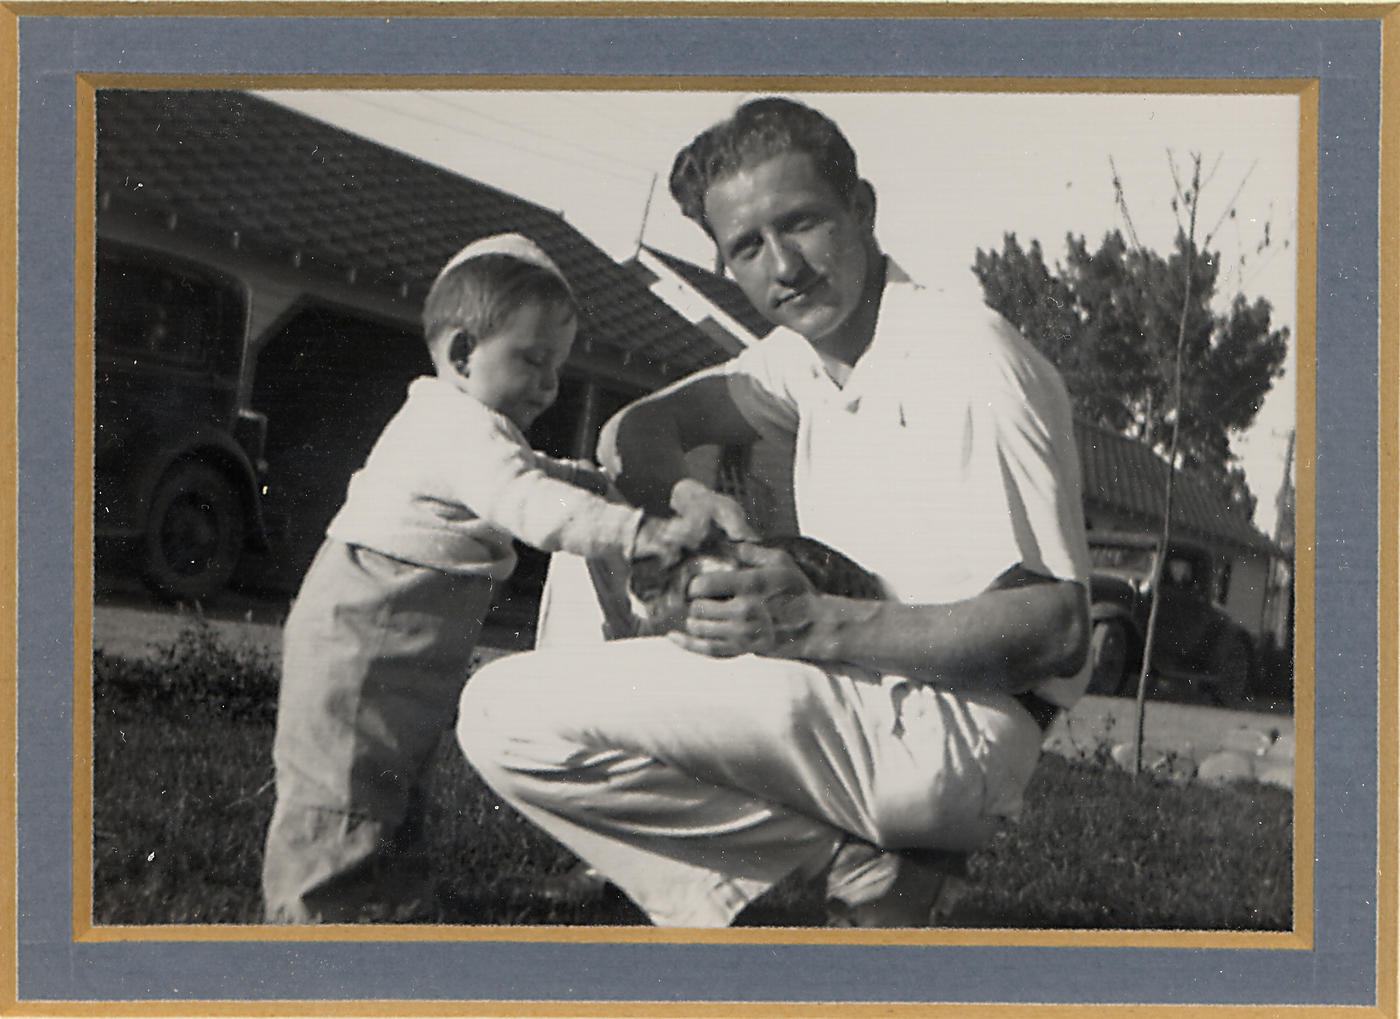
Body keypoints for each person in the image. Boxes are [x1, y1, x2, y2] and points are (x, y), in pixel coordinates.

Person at [456, 99, 1093, 928]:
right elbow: (639, 429)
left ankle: (836, 863)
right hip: (847, 691)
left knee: (500, 710)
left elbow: (1057, 630)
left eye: (802, 223)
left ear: (861, 211)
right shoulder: (810, 354)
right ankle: (819, 872)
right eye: (748, 247)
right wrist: (690, 504)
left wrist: (805, 624)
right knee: (606, 538)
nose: (783, 267)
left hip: (950, 727)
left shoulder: (963, 352)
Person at [261, 234, 713, 923]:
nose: (548, 385)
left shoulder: (472, 426)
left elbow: (530, 474)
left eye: (556, 366)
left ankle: (392, 897)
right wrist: (633, 531)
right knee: (344, 780)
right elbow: (524, 500)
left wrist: (589, 481)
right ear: (462, 354)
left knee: (395, 770)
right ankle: (318, 919)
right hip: (364, 629)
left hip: (396, 631)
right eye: (532, 360)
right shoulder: (457, 427)